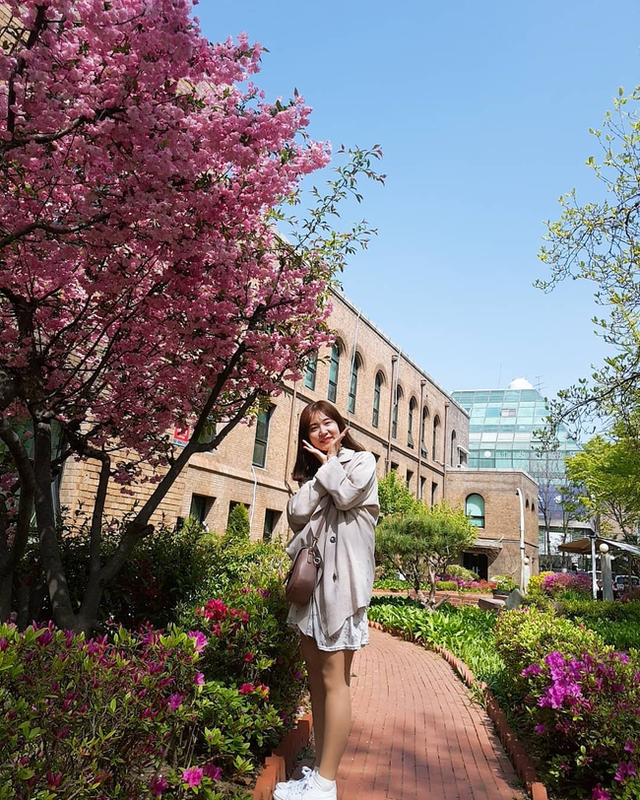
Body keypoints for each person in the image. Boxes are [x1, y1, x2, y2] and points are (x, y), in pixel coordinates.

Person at [273, 400, 379, 800]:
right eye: (313, 427)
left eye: (328, 423)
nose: (323, 431)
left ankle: (326, 782)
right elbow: (295, 512)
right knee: (316, 683)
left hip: (342, 589)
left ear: (342, 425)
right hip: (310, 590)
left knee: (336, 682)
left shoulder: (362, 461)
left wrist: (330, 464)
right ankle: (319, 774)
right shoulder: (316, 478)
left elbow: (349, 496)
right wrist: (320, 473)